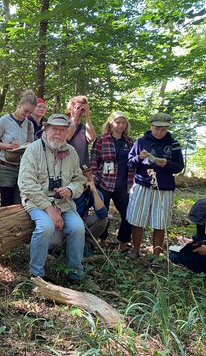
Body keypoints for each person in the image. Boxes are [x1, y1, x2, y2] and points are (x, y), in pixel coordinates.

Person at [18, 114, 86, 283]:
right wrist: (49, 209)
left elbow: (79, 179)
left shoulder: (71, 152)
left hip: (64, 203)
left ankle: (75, 274)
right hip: (37, 202)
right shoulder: (33, 150)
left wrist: (70, 190)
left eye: (63, 130)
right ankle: (37, 275)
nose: (58, 133)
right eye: (55, 128)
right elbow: (26, 184)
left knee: (78, 228)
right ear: (46, 129)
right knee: (45, 227)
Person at [126, 112, 184, 264]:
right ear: (151, 126)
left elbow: (179, 166)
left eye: (163, 129)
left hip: (164, 188)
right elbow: (130, 162)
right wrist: (139, 157)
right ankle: (136, 250)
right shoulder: (141, 141)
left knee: (160, 222)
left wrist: (167, 164)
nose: (159, 132)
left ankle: (156, 256)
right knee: (137, 219)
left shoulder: (173, 144)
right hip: (142, 184)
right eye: (157, 128)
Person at [90, 111, 134, 251]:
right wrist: (95, 179)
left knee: (128, 214)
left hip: (123, 185)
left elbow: (133, 162)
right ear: (111, 123)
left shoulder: (129, 142)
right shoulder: (102, 140)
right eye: (117, 122)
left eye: (123, 122)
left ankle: (123, 242)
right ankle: (102, 240)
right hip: (105, 183)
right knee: (103, 213)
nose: (120, 125)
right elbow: (93, 161)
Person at [0, 90, 37, 207]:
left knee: (20, 203)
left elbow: (31, 145)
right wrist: (9, 146)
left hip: (23, 168)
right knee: (6, 203)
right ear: (20, 104)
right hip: (7, 167)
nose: (26, 115)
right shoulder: (5, 120)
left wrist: (26, 146)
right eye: (25, 111)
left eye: (30, 113)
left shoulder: (29, 125)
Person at [74, 166, 109, 250]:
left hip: (82, 220)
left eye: (90, 174)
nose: (90, 177)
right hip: (67, 221)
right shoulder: (69, 189)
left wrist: (94, 192)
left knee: (103, 221)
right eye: (85, 175)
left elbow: (103, 215)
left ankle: (86, 242)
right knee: (55, 243)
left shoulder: (91, 191)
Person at [65, 95, 96, 167]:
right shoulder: (63, 124)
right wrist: (74, 118)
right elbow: (67, 137)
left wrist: (87, 116)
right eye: (78, 108)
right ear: (71, 108)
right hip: (66, 165)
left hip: (81, 166)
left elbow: (92, 138)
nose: (80, 111)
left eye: (82, 109)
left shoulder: (84, 127)